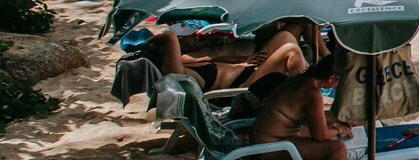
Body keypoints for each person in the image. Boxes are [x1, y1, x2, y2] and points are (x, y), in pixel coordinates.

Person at [250, 55, 351, 160]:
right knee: (338, 148)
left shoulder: (300, 80)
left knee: (331, 127)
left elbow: (314, 118)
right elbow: (321, 135)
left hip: (273, 140)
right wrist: (340, 130)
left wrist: (339, 119)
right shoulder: (311, 91)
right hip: (267, 149)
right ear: (332, 78)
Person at [144, 28, 307, 91]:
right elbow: (172, 69)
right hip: (243, 88)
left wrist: (242, 62)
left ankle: (312, 80)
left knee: (285, 36)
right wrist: (169, 36)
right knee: (291, 51)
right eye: (178, 41)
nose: (191, 35)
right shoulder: (182, 73)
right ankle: (305, 96)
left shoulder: (188, 61)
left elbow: (219, 64)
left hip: (248, 72)